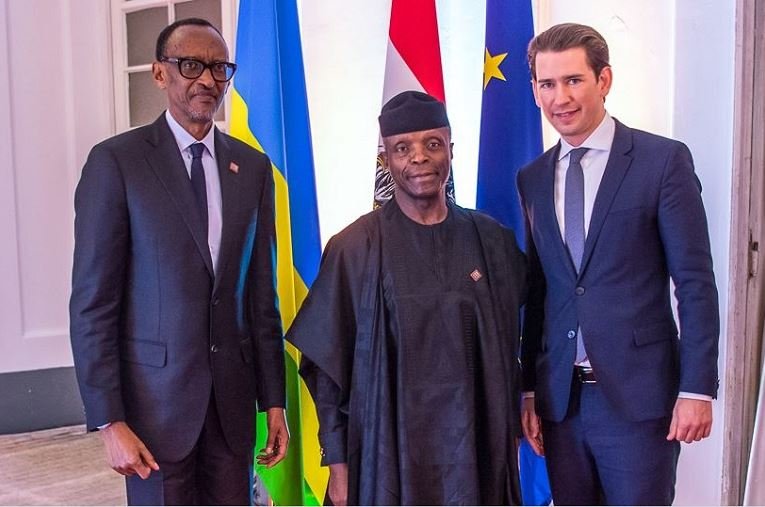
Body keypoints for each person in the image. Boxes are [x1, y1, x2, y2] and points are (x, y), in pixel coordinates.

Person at [69, 18, 289, 505]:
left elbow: (261, 301)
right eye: (191, 65)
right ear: (160, 73)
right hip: (153, 416)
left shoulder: (251, 170)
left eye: (218, 68)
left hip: (232, 413)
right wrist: (110, 421)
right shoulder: (117, 164)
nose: (207, 80)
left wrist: (274, 403)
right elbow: (93, 304)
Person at [287, 91, 527, 505]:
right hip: (386, 458)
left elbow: (525, 332)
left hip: (477, 456)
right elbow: (325, 372)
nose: (419, 158)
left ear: (450, 150)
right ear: (386, 160)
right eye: (403, 148)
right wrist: (338, 464)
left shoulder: (491, 241)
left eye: (432, 144)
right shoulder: (354, 247)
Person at [517, 22, 719, 505]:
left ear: (603, 81)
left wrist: (697, 389)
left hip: (640, 401)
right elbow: (540, 291)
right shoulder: (533, 178)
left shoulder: (661, 161)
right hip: (561, 403)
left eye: (573, 80)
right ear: (535, 91)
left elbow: (694, 282)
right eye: (548, 84)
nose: (560, 97)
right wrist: (528, 390)